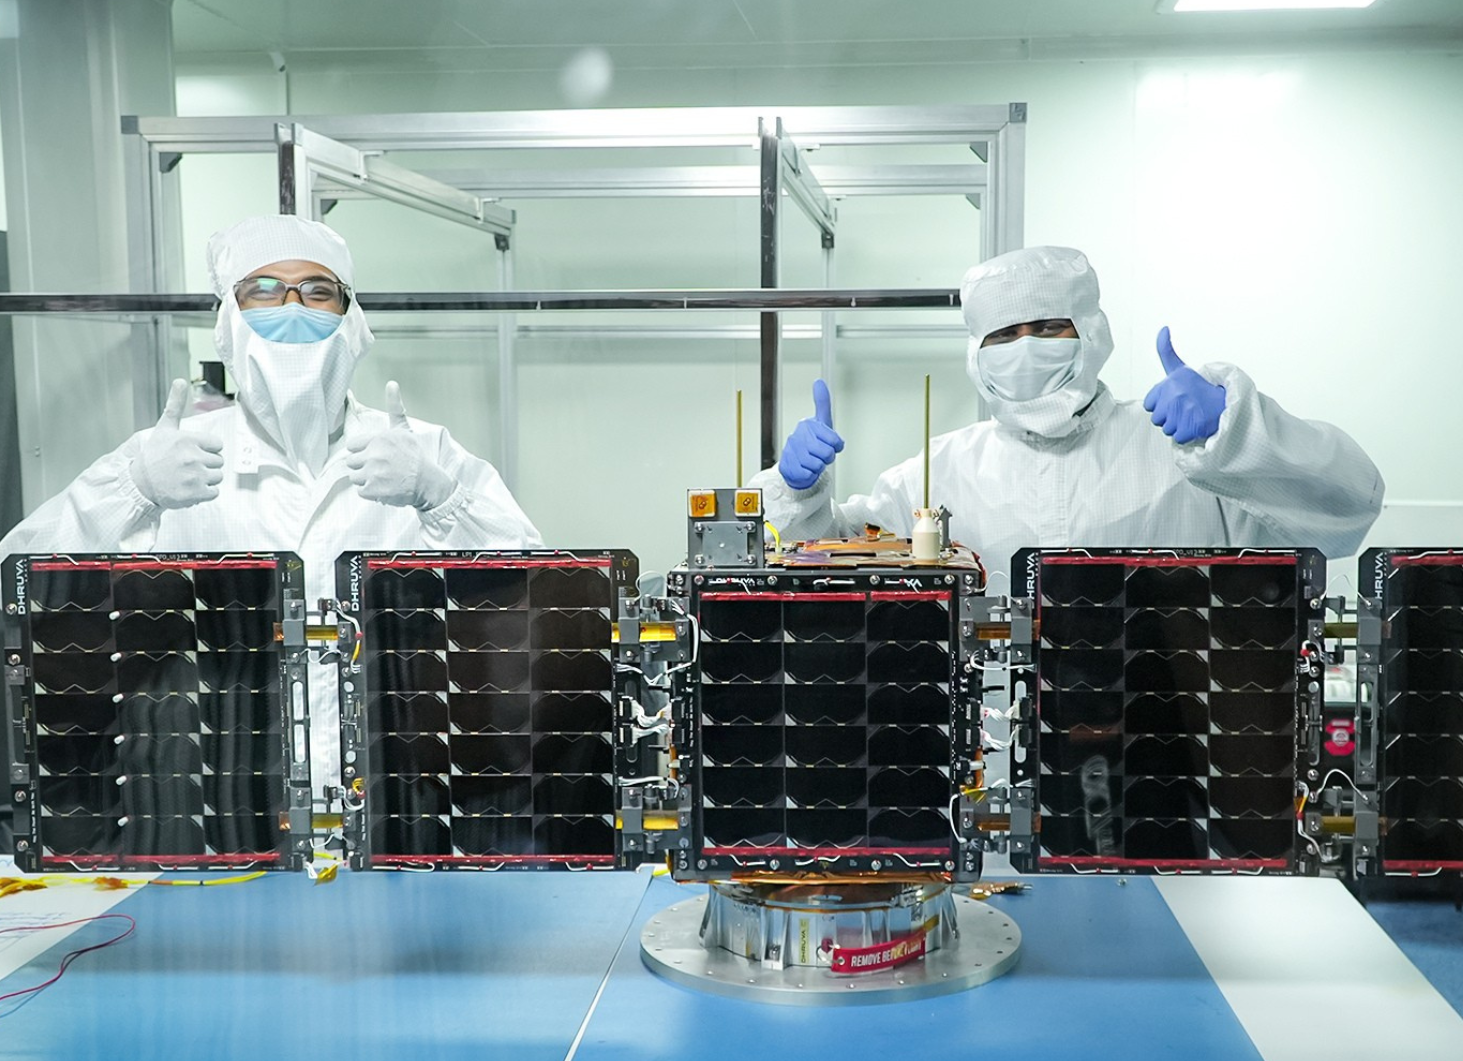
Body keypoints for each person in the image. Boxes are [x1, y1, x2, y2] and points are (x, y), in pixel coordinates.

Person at [0, 214, 542, 789]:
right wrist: (132, 493)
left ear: (352, 316)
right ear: (228, 320)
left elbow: (537, 589)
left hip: (398, 791)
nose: (292, 308)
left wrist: (441, 497)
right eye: (262, 290)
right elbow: (17, 582)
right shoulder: (165, 458)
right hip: (219, 795)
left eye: (318, 290)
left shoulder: (422, 452)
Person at [753, 245, 1383, 586]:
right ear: (977, 353)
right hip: (994, 754)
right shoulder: (938, 472)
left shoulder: (1185, 451)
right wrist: (798, 491)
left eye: (1049, 327)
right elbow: (820, 564)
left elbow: (1347, 511)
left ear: (1091, 332)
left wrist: (1236, 431)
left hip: (1174, 739)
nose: (1026, 346)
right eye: (1004, 334)